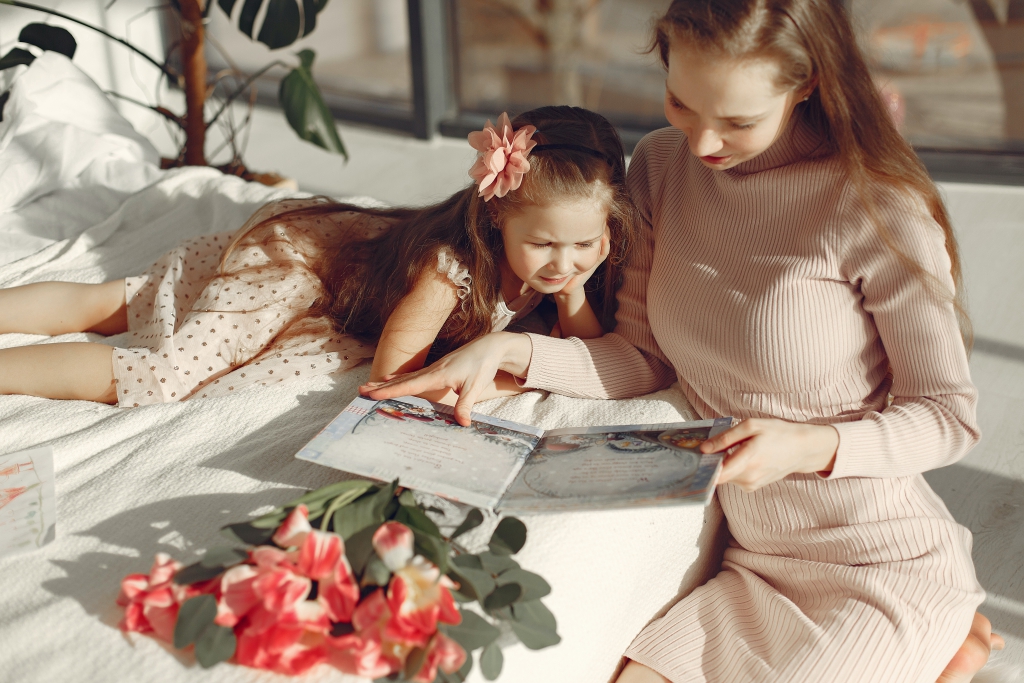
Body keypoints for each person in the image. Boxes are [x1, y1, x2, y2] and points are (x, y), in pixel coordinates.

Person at [361, 1, 1005, 681]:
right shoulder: (663, 167)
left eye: (737, 121)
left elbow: (947, 417)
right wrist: (506, 353)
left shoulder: (877, 207)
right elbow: (639, 358)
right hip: (753, 567)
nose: (703, 144)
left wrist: (808, 444)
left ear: (808, 80)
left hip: (880, 566)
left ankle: (945, 653)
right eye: (680, 102)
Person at [0, 106, 640, 408]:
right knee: (166, 373)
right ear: (498, 217)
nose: (564, 261)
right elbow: (393, 378)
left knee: (137, 298)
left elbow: (584, 343)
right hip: (295, 265)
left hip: (333, 244)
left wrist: (572, 294)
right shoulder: (451, 271)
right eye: (545, 245)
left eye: (586, 243)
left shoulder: (565, 267)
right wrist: (495, 378)